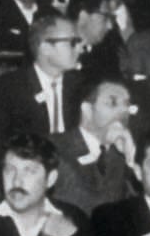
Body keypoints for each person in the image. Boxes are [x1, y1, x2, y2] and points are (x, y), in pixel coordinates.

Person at [0, 12, 82, 152]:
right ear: (46, 48)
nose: (80, 48)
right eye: (72, 43)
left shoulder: (81, 85)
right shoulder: (10, 87)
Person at [49, 74, 136, 214]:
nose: (123, 112)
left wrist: (131, 159)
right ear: (87, 110)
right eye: (112, 103)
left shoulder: (123, 154)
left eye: (127, 105)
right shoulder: (56, 147)